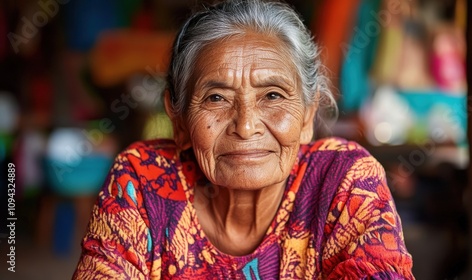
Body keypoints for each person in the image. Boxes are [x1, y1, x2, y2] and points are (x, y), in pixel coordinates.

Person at [73, 0, 414, 278]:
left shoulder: (345, 180)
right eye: (216, 98)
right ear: (178, 119)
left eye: (273, 96)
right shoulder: (144, 179)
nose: (246, 126)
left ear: (309, 114)